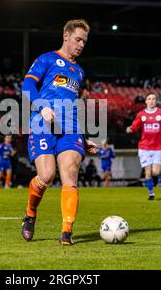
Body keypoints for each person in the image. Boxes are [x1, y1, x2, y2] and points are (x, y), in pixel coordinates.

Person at [20, 19, 98, 246]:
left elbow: (72, 104)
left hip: (70, 128)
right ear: (66, 36)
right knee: (46, 175)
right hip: (42, 123)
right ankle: (30, 213)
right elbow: (27, 86)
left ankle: (66, 231)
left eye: (84, 41)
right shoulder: (46, 59)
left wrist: (83, 138)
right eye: (78, 39)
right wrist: (42, 107)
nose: (81, 44)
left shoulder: (79, 71)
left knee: (70, 176)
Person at [126, 92, 161, 200]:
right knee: (147, 172)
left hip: (158, 147)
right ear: (146, 101)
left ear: (156, 101)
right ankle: (151, 193)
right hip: (144, 147)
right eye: (149, 99)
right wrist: (130, 129)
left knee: (156, 171)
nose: (152, 101)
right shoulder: (141, 115)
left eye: (153, 99)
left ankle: (153, 180)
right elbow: (134, 126)